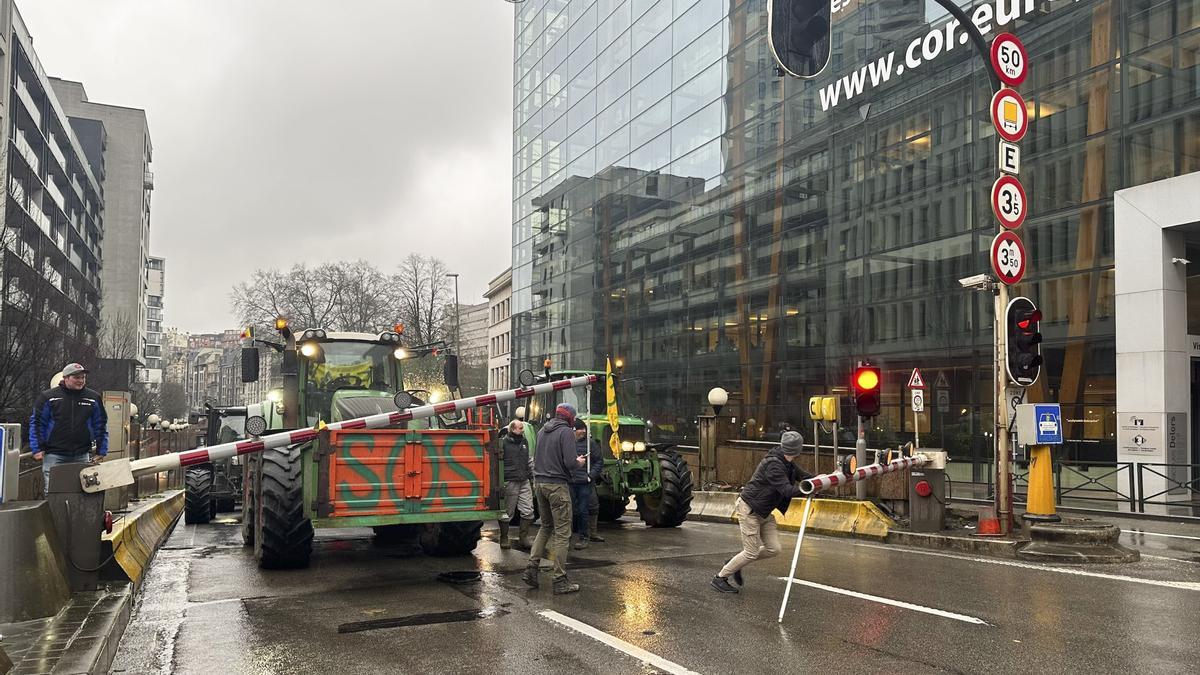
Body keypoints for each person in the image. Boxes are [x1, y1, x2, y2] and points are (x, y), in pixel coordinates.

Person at [711, 430, 813, 594]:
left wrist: (823, 480)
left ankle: (736, 562)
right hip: (749, 510)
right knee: (750, 552)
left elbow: (806, 477)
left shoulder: (787, 461)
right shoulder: (774, 465)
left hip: (764, 512)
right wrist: (808, 490)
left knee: (774, 548)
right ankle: (719, 578)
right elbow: (787, 490)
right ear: (797, 450)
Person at [523, 402, 587, 594]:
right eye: (573, 419)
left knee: (545, 527)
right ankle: (559, 579)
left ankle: (531, 570)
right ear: (570, 418)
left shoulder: (542, 430)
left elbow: (536, 456)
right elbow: (569, 461)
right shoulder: (566, 432)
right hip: (557, 486)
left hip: (540, 484)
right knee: (562, 533)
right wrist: (579, 462)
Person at [30, 363, 109, 494]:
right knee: (53, 491)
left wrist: (101, 450)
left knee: (80, 491)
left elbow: (100, 424)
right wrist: (37, 448)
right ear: (65, 378)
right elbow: (37, 423)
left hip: (81, 453)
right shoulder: (48, 397)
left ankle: (76, 515)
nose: (81, 380)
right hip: (54, 453)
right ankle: (54, 515)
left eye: (83, 377)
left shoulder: (93, 398)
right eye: (76, 377)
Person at [498, 420, 535, 550]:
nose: (523, 430)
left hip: (524, 480)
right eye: (520, 428)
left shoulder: (524, 442)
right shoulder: (503, 443)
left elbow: (529, 460)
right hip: (510, 481)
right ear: (513, 429)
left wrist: (532, 477)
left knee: (528, 511)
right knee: (507, 512)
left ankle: (523, 539)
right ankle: (504, 538)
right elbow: (498, 463)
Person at [569, 418, 603, 550]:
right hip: (571, 482)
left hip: (584, 482)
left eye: (584, 428)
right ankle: (567, 537)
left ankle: (584, 537)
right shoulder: (568, 443)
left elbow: (599, 461)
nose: (583, 431)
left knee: (584, 509)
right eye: (580, 429)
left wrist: (591, 475)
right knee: (570, 510)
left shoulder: (591, 444)